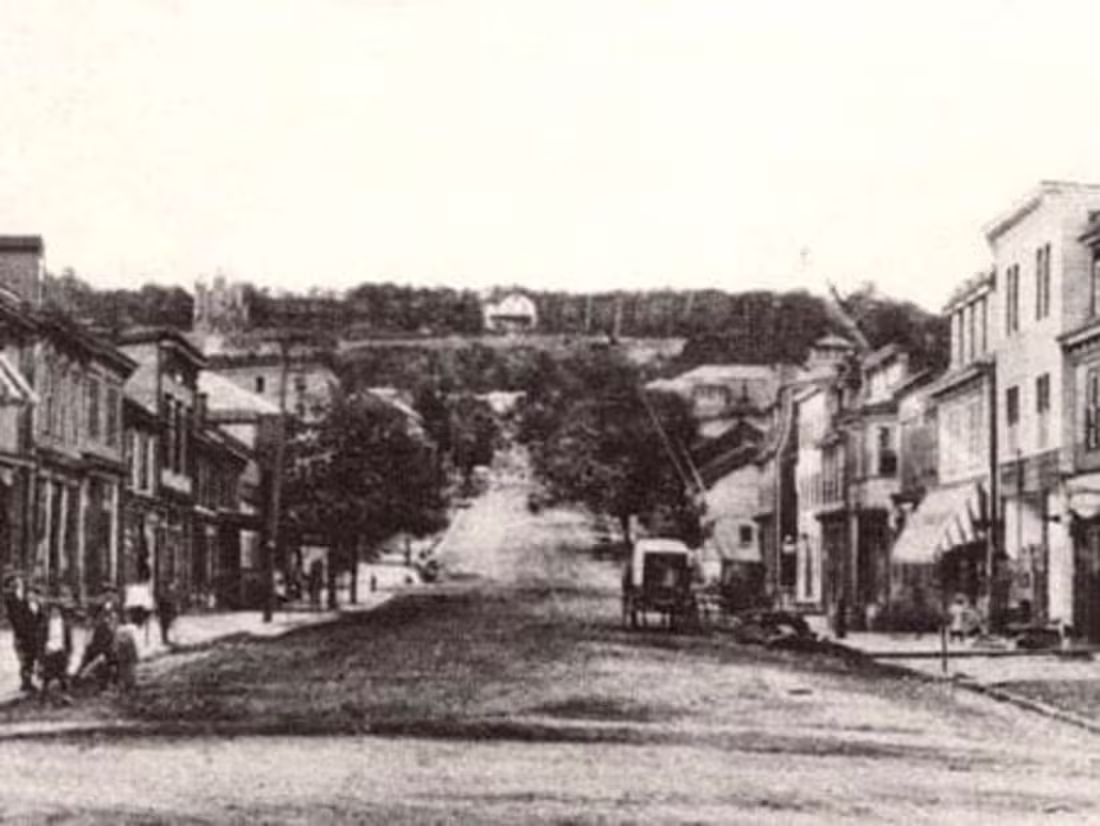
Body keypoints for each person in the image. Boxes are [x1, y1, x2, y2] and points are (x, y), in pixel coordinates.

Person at [3, 575, 41, 693]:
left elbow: (37, 617)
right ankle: (26, 682)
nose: (19, 584)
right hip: (22, 634)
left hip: (32, 634)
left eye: (19, 582)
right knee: (25, 658)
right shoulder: (10, 599)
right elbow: (16, 618)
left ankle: (28, 681)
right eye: (16, 582)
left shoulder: (25, 600)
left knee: (31, 657)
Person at [156, 580, 179, 646]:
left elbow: (172, 603)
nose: (165, 587)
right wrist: (158, 612)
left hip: (167, 612)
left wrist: (174, 612)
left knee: (166, 627)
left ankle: (165, 639)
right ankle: (164, 640)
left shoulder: (169, 593)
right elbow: (160, 604)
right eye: (164, 586)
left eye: (166, 586)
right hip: (164, 613)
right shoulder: (162, 594)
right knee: (164, 627)